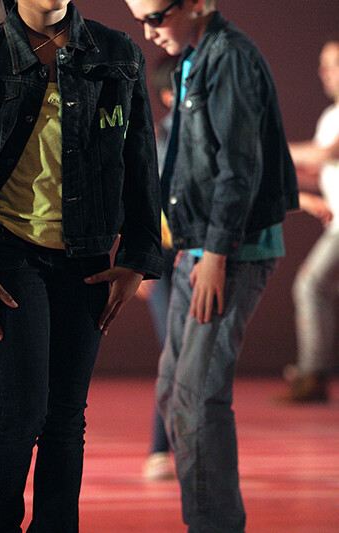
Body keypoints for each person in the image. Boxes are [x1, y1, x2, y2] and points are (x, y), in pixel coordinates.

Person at [0, 0, 162, 531]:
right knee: (23, 410)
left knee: (66, 416)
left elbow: (141, 161)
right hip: (10, 254)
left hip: (88, 254)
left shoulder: (119, 53)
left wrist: (137, 257)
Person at [123, 1, 298, 531]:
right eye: (140, 19)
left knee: (197, 400)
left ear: (198, 3)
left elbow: (238, 166)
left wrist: (216, 254)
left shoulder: (231, 59)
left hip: (229, 252)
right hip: (198, 249)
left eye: (156, 17)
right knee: (174, 391)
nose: (148, 32)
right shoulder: (192, 59)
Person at [283, 39, 339, 403]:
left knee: (311, 284)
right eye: (324, 64)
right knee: (314, 286)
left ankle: (313, 374)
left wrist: (273, 152)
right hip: (336, 225)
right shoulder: (330, 116)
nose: (324, 72)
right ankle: (313, 373)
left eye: (333, 64)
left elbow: (325, 153)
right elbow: (319, 173)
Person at [136, 54, 179, 481]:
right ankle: (159, 449)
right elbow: (136, 201)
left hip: (200, 256)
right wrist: (136, 260)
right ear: (168, 95)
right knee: (173, 348)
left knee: (196, 353)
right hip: (163, 259)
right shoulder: (153, 139)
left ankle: (189, 447)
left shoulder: (212, 136)